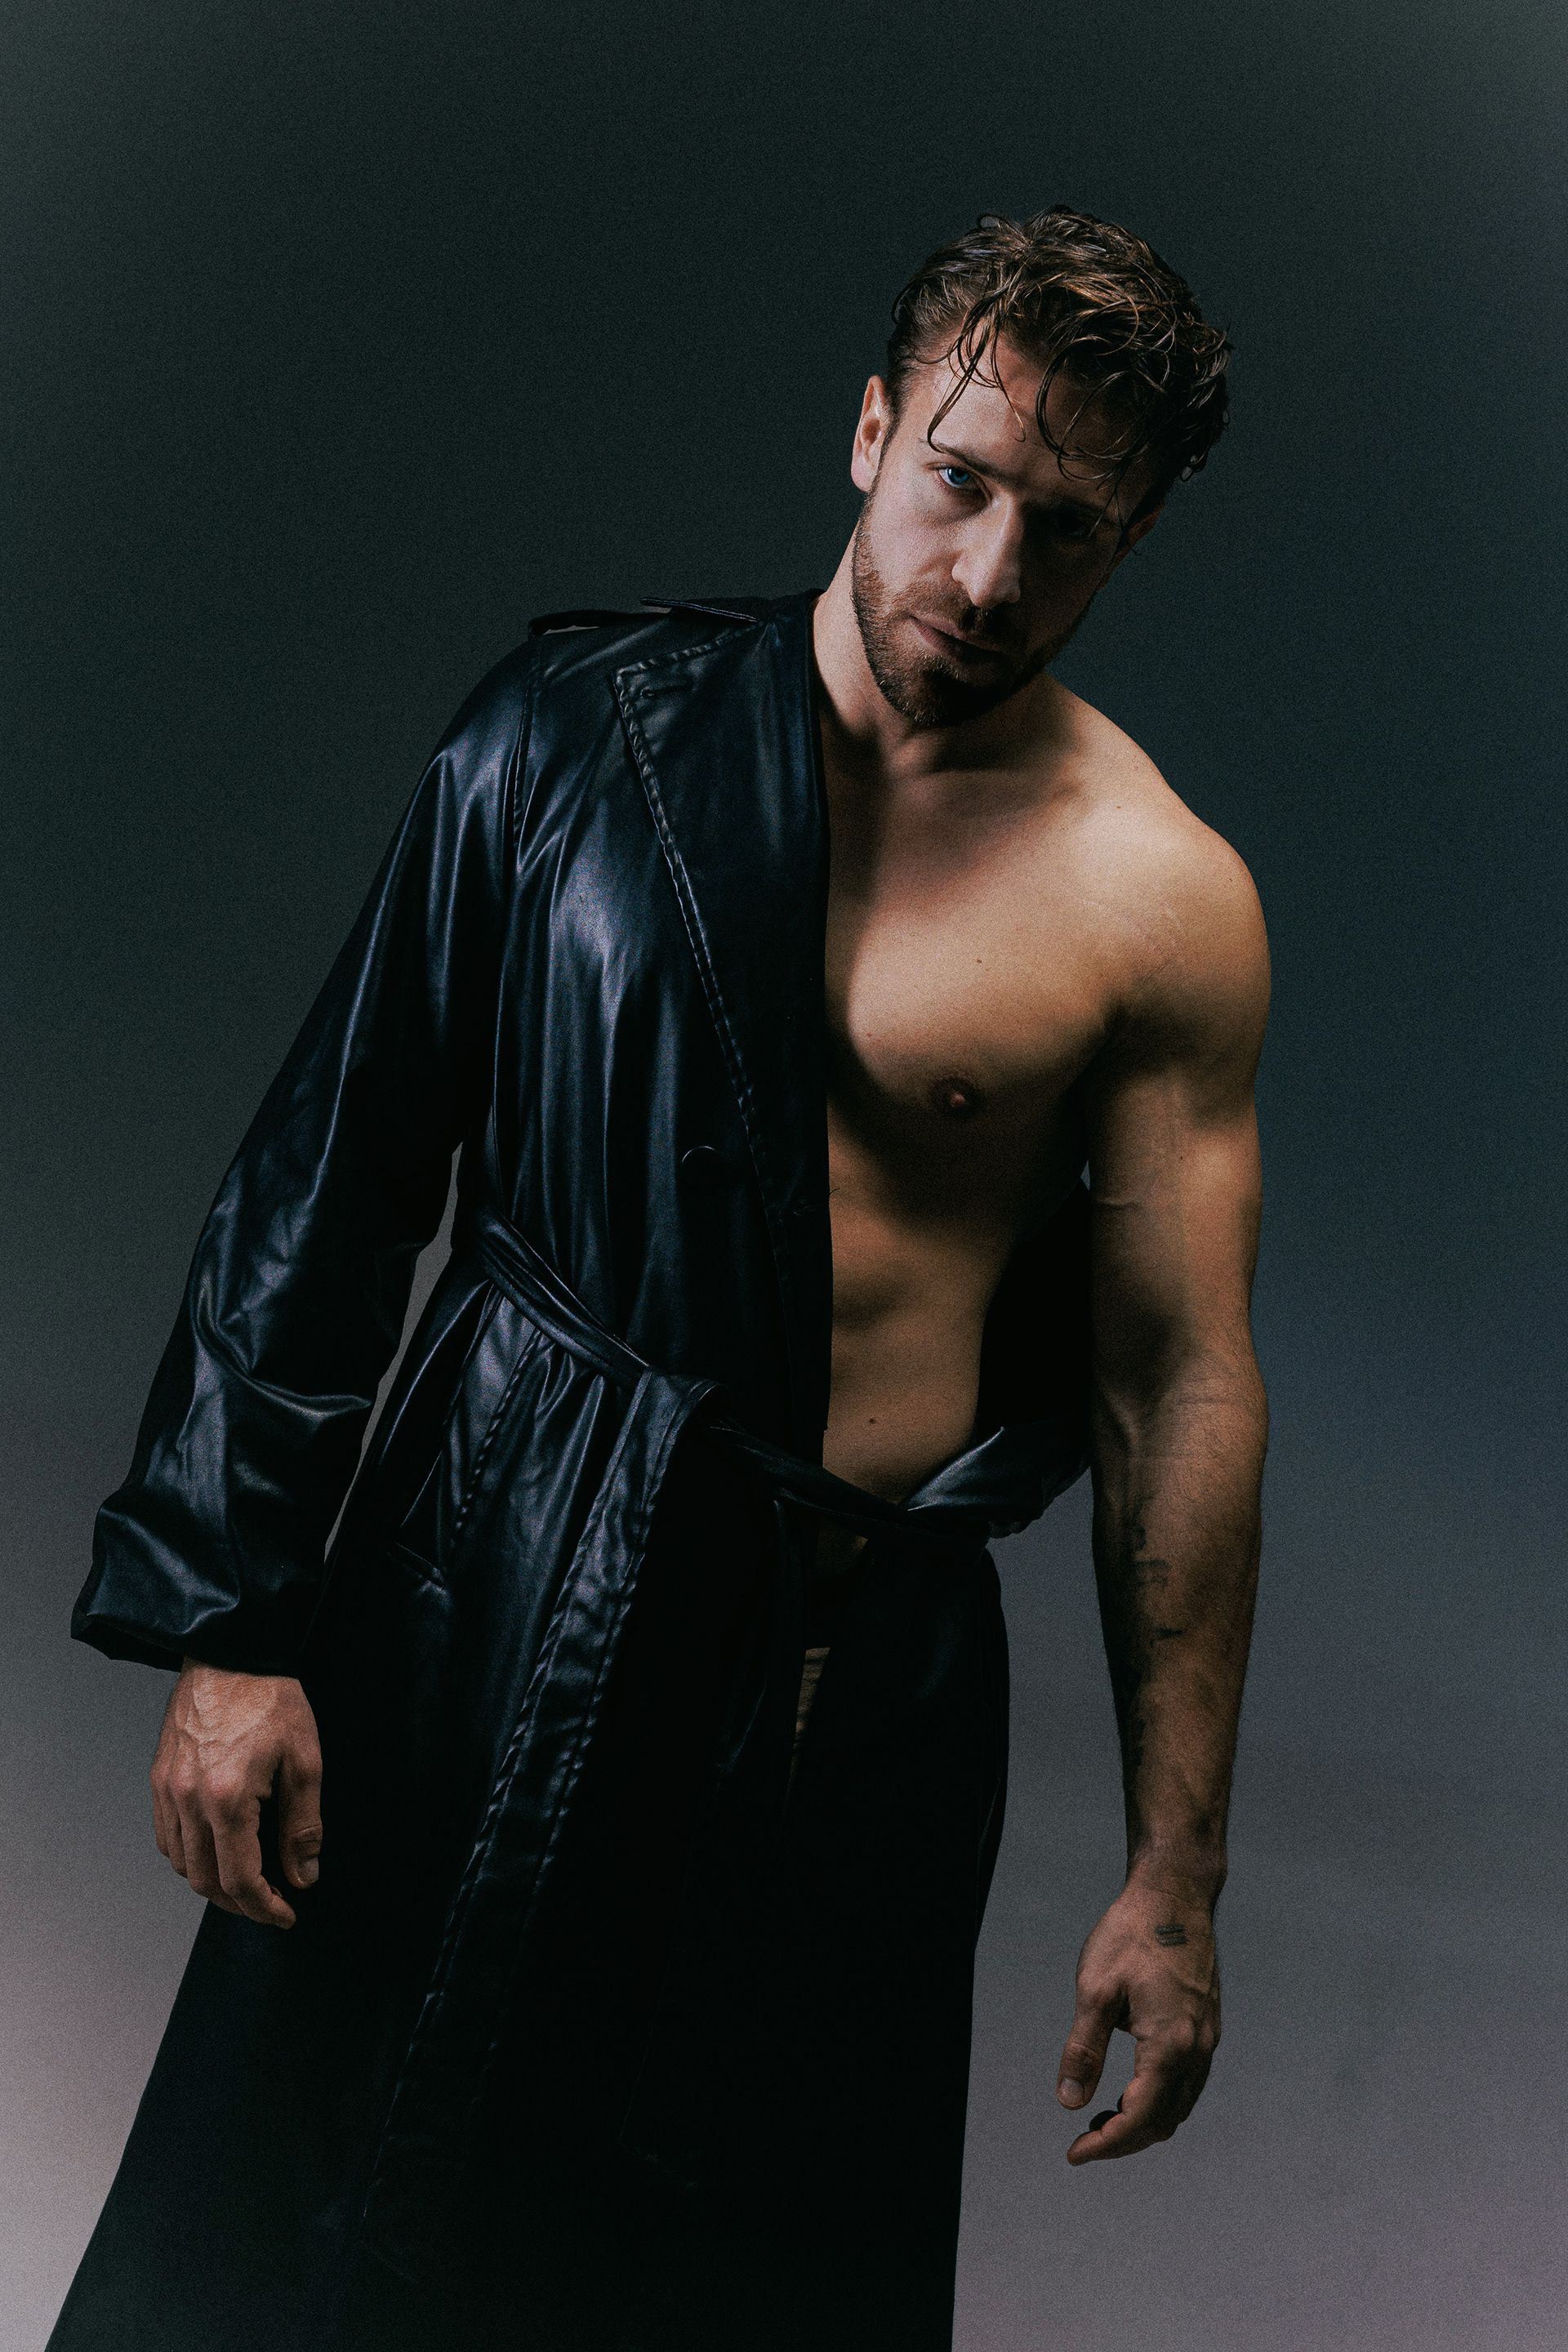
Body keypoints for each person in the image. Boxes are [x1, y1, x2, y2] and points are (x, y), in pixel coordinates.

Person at [52, 207, 1267, 2352]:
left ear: (1135, 542)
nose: (991, 573)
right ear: (871, 432)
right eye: (960, 482)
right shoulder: (572, 732)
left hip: (837, 1712)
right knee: (325, 2248)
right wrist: (231, 1630)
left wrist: (1178, 1875)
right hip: (488, 1608)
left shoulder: (1158, 899)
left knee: (749, 2284)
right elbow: (335, 1167)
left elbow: (1178, 1389)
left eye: (1068, 531)